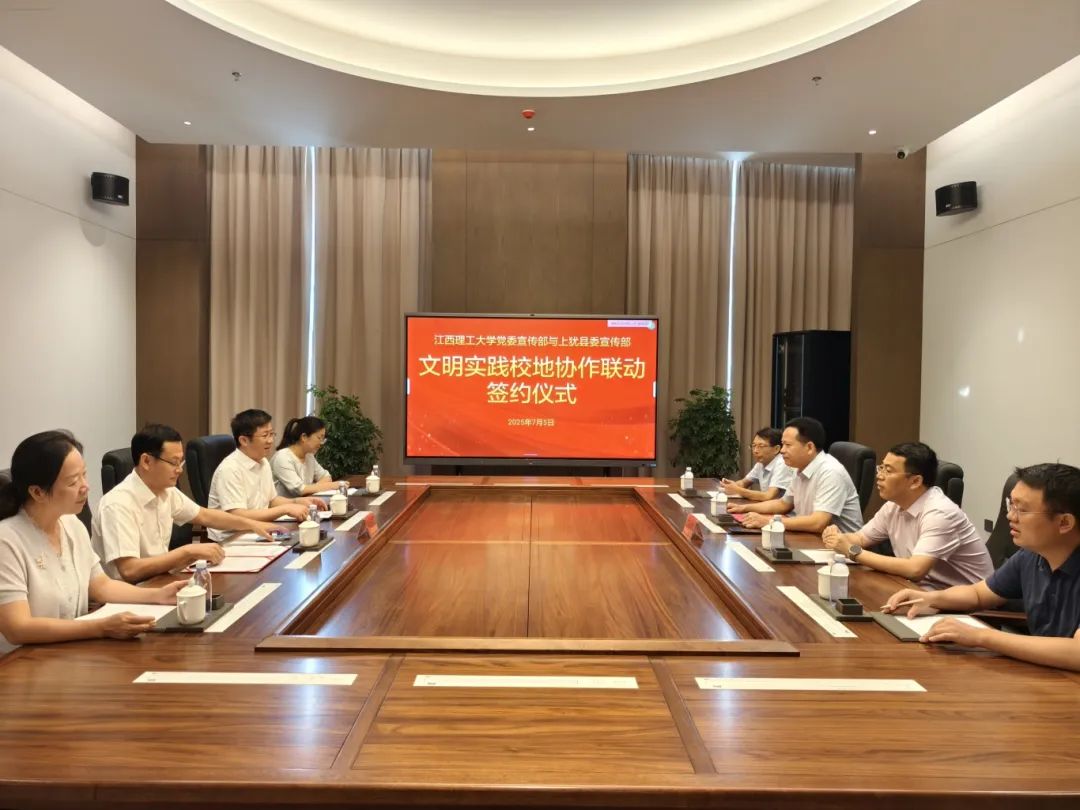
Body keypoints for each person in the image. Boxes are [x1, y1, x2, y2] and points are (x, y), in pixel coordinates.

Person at [0, 431, 184, 655]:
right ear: (38, 492)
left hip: (68, 651)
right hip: (20, 662)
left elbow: (100, 586)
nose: (85, 487)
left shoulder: (71, 525)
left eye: (84, 475)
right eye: (73, 481)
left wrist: (157, 595)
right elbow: (17, 628)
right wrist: (100, 627)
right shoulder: (7, 540)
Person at [885, 463, 1080, 671]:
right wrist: (931, 599)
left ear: (1064, 523)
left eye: (1022, 510)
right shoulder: (1031, 556)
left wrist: (980, 637)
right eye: (1011, 505)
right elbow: (978, 594)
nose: (1010, 516)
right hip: (1045, 674)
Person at [91, 424, 282, 583]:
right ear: (146, 461)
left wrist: (253, 525)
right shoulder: (118, 504)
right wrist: (187, 552)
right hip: (130, 595)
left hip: (161, 580)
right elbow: (129, 570)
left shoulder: (166, 491)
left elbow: (205, 515)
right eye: (173, 462)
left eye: (180, 462)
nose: (179, 470)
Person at [822, 442, 992, 588]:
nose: (879, 476)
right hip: (922, 589)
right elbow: (861, 538)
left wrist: (853, 552)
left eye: (888, 471)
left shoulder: (940, 513)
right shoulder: (893, 506)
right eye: (881, 467)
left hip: (967, 603)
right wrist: (838, 538)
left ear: (915, 481)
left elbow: (915, 569)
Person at [728, 417, 863, 534]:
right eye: (782, 445)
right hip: (810, 538)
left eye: (788, 445)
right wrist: (744, 508)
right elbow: (783, 504)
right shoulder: (799, 468)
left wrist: (768, 521)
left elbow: (818, 522)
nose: (782, 451)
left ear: (809, 447)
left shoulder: (830, 472)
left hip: (843, 549)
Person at [207, 409, 325, 541]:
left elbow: (271, 500)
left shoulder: (263, 461)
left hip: (259, 530)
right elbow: (238, 516)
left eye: (272, 434)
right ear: (244, 440)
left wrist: (297, 502)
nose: (271, 440)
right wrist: (285, 509)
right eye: (265, 436)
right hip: (230, 538)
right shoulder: (230, 469)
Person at [720, 427, 794, 502]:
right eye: (754, 446)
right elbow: (744, 483)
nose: (755, 451)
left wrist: (737, 490)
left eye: (761, 446)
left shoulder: (782, 463)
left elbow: (769, 496)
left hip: (783, 509)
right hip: (767, 506)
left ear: (776, 449)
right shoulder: (761, 463)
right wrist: (730, 485)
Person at [270, 416, 336, 498]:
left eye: (323, 439)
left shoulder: (309, 456)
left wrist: (312, 488)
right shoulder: (282, 458)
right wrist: (330, 486)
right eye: (319, 438)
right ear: (304, 437)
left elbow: (326, 477)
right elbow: (299, 490)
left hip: (305, 502)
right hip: (285, 505)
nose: (321, 443)